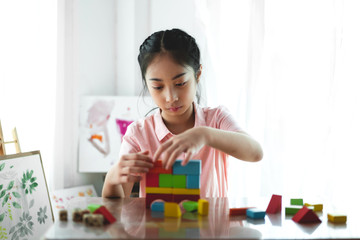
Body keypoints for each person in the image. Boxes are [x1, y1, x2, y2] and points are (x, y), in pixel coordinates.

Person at [102, 28, 263, 198]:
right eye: (158, 87)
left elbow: (255, 153)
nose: (171, 97)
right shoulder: (139, 133)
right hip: (155, 225)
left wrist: (205, 134)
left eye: (180, 83)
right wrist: (112, 178)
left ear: (198, 74)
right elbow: (118, 206)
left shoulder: (216, 119)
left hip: (211, 225)